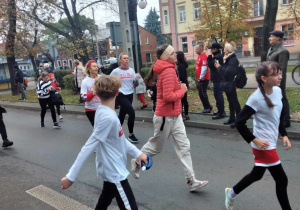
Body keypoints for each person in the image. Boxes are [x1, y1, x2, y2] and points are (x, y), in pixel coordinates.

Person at [61, 75, 147, 210]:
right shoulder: (108, 117)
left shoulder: (104, 112)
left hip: (111, 169)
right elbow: (88, 147)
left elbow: (120, 138)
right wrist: (70, 177)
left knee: (104, 201)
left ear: (97, 94)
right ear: (117, 93)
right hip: (114, 172)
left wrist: (138, 153)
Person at [131, 44, 209, 192]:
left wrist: (177, 88)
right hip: (164, 117)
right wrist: (182, 91)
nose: (175, 54)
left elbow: (168, 92)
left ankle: (191, 180)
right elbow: (167, 97)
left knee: (184, 147)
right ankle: (137, 161)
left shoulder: (170, 69)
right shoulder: (167, 71)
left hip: (175, 115)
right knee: (157, 147)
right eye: (172, 53)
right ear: (166, 56)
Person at [225, 61, 292, 210]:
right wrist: (254, 140)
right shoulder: (256, 98)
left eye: (280, 73)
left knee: (257, 174)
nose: (280, 77)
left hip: (270, 141)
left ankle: (232, 193)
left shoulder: (277, 91)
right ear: (264, 78)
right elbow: (239, 122)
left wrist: (284, 134)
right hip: (263, 145)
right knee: (282, 179)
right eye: (276, 74)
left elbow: (277, 116)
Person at [110, 53, 139, 144]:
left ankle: (114, 133)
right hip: (121, 94)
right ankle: (131, 134)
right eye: (124, 58)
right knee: (132, 112)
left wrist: (136, 80)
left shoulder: (131, 71)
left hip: (130, 94)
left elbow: (135, 84)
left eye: (127, 58)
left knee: (122, 115)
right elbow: (109, 80)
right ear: (120, 60)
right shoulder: (116, 71)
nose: (127, 59)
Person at [267, 30, 291, 128]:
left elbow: (282, 68)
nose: (269, 38)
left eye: (271, 36)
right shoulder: (272, 48)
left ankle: (286, 120)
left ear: (277, 38)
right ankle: (278, 118)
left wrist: (278, 80)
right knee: (274, 98)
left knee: (282, 97)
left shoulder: (283, 51)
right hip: (270, 78)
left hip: (278, 79)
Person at [215, 41, 241, 127]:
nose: (224, 51)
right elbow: (226, 70)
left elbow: (228, 72)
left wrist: (219, 67)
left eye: (225, 49)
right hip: (228, 83)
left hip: (231, 83)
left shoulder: (232, 60)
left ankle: (239, 120)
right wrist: (220, 67)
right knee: (230, 101)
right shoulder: (228, 59)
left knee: (234, 101)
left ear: (228, 50)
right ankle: (232, 118)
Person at [207, 43, 225, 120]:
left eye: (212, 49)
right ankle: (220, 111)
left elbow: (210, 65)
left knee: (218, 95)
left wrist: (209, 56)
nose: (211, 50)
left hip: (218, 79)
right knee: (217, 95)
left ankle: (221, 112)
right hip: (217, 79)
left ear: (215, 49)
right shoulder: (217, 56)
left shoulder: (218, 57)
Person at [80, 60, 101, 127]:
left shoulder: (101, 78)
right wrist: (93, 93)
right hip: (91, 109)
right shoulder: (85, 81)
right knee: (97, 129)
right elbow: (83, 97)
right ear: (89, 69)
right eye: (94, 66)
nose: (96, 68)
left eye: (97, 66)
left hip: (103, 108)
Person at [195, 44, 212, 113]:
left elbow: (204, 68)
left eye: (196, 49)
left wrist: (201, 78)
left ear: (200, 49)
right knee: (201, 93)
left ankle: (207, 108)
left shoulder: (204, 57)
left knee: (202, 93)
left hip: (203, 79)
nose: (195, 50)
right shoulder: (199, 56)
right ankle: (207, 107)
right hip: (201, 79)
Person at [176, 51, 190, 120]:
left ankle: (184, 114)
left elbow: (181, 76)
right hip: (184, 83)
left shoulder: (181, 66)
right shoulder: (182, 65)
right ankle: (185, 114)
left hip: (182, 84)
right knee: (184, 99)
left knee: (183, 100)